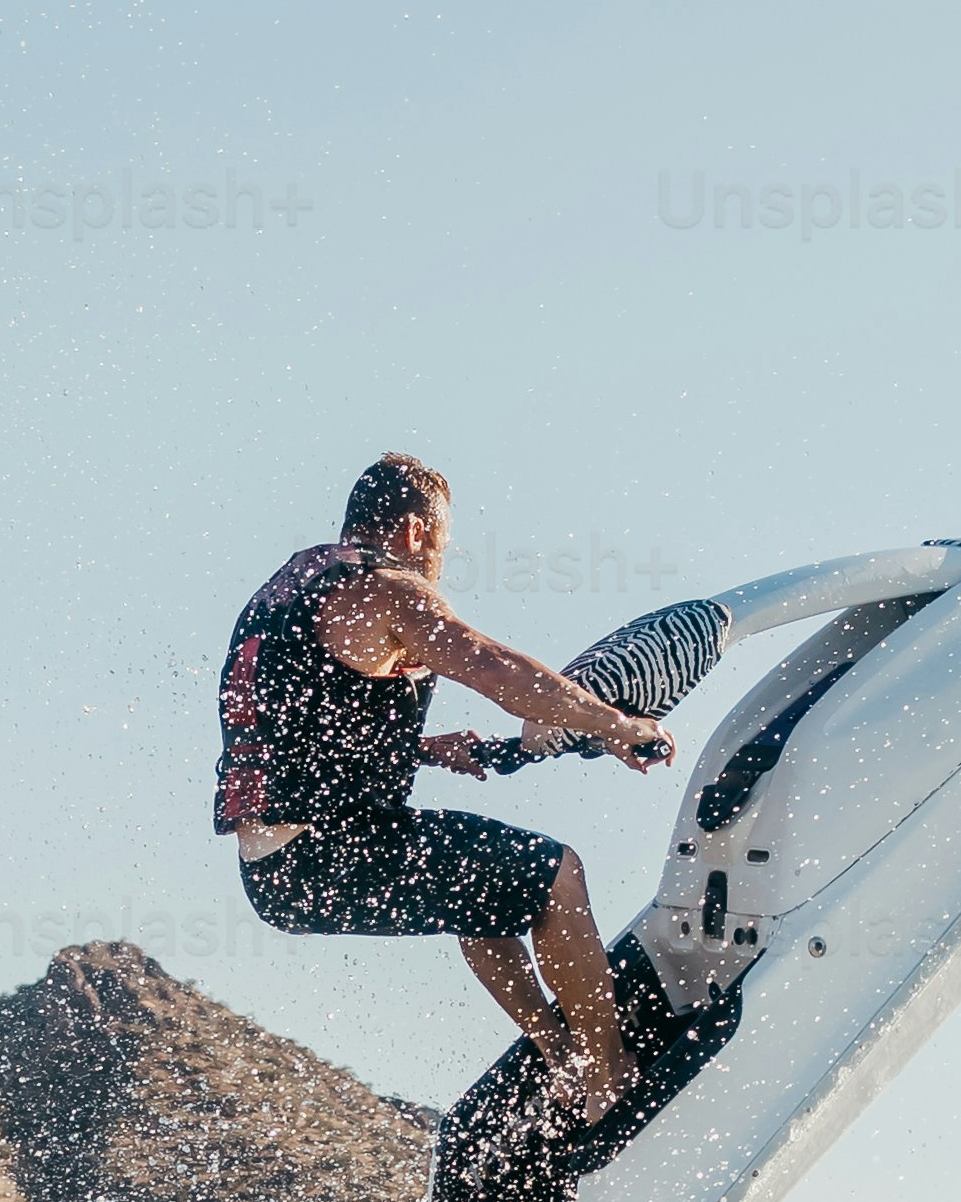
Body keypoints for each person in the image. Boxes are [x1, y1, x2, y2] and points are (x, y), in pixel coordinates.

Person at [216, 451, 672, 1117]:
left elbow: (302, 730)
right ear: (415, 533)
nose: (441, 564)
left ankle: (557, 1051)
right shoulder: (388, 588)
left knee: (477, 881)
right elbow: (490, 667)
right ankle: (607, 1077)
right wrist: (614, 724)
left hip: (274, 872)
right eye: (444, 546)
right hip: (328, 850)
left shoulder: (290, 587)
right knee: (555, 875)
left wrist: (425, 748)